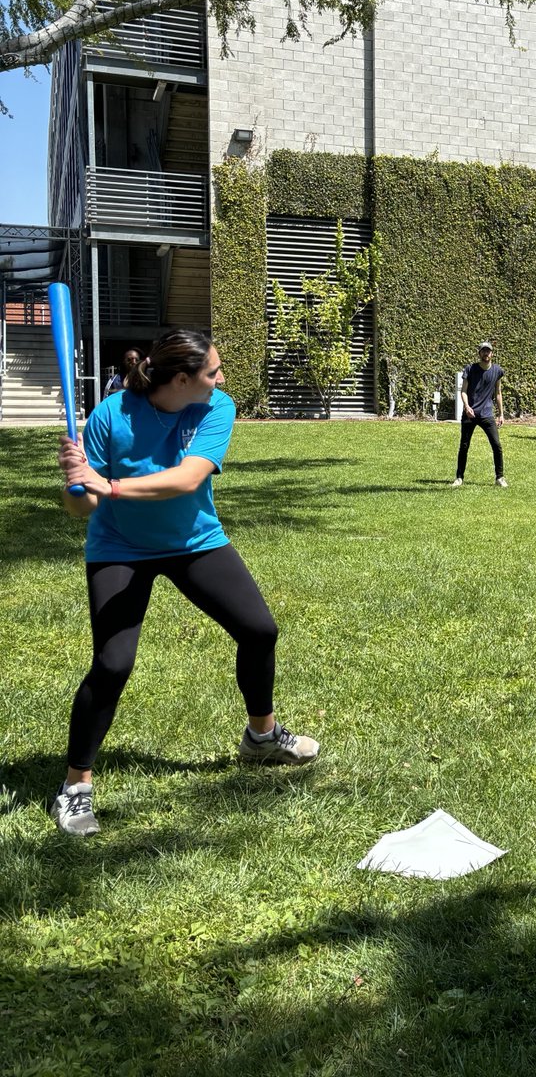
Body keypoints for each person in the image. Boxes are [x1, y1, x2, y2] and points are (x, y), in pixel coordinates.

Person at [52, 329, 318, 837]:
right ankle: (76, 786)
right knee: (112, 663)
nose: (221, 378)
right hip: (120, 548)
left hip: (195, 540)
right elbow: (80, 508)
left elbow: (188, 478)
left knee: (259, 630)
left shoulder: (216, 407)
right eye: (212, 371)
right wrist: (78, 481)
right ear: (181, 379)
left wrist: (108, 484)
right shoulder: (112, 414)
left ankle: (261, 738)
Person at [453, 341, 506, 487]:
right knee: (464, 445)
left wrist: (501, 414)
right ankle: (459, 478)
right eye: (483, 351)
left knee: (496, 445)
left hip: (487, 414)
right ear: (479, 353)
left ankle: (499, 478)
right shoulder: (470, 369)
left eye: (488, 351)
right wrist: (467, 406)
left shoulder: (497, 371)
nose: (486, 354)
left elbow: (498, 393)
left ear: (492, 354)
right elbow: (463, 391)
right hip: (470, 414)